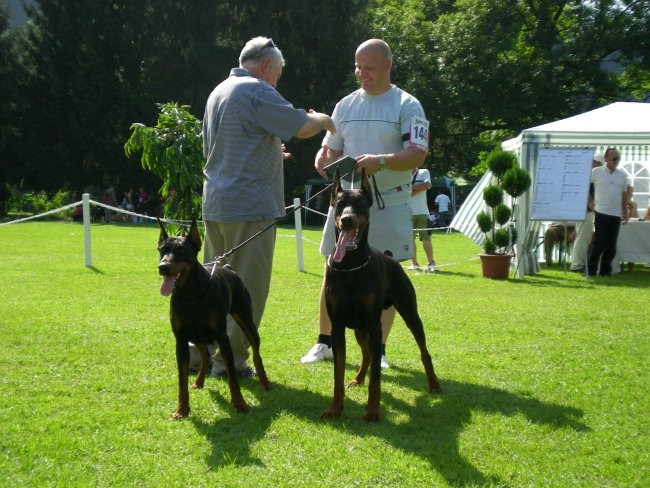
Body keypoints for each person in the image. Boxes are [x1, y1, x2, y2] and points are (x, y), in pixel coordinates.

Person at [201, 36, 335, 378]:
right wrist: (323, 120)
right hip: (250, 207)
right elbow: (301, 126)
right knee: (246, 289)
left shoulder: (220, 90)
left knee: (211, 286)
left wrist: (268, 152)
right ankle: (230, 363)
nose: (278, 81)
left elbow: (228, 144)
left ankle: (198, 354)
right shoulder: (256, 90)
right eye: (277, 73)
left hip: (217, 203)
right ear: (265, 67)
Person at [301, 38, 429, 366]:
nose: (362, 74)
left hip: (389, 203)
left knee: (385, 276)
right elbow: (331, 147)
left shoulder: (407, 104)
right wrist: (323, 158)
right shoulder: (345, 105)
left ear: (388, 65)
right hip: (347, 205)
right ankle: (324, 342)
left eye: (369, 67)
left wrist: (382, 161)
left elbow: (418, 153)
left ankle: (379, 350)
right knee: (332, 267)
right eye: (358, 67)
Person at [587, 147, 629, 277]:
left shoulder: (622, 175)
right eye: (614, 158)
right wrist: (590, 201)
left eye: (618, 158)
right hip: (601, 212)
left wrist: (626, 211)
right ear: (606, 158)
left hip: (616, 214)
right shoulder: (596, 171)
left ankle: (605, 271)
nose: (616, 161)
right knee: (600, 243)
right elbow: (584, 185)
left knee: (611, 246)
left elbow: (624, 195)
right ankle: (591, 269)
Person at [570, 153, 604, 271]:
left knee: (585, 237)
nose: (600, 166)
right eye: (599, 164)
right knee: (583, 237)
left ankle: (580, 262)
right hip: (584, 209)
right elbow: (582, 188)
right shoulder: (587, 173)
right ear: (595, 162)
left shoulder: (590, 173)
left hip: (586, 210)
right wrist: (590, 202)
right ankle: (577, 264)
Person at [408, 166, 438, 272]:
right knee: (410, 240)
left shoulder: (424, 171)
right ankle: (414, 263)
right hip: (407, 213)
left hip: (422, 212)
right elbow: (399, 191)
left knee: (426, 239)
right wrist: (418, 188)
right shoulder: (403, 174)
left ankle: (431, 263)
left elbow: (427, 185)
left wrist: (408, 188)